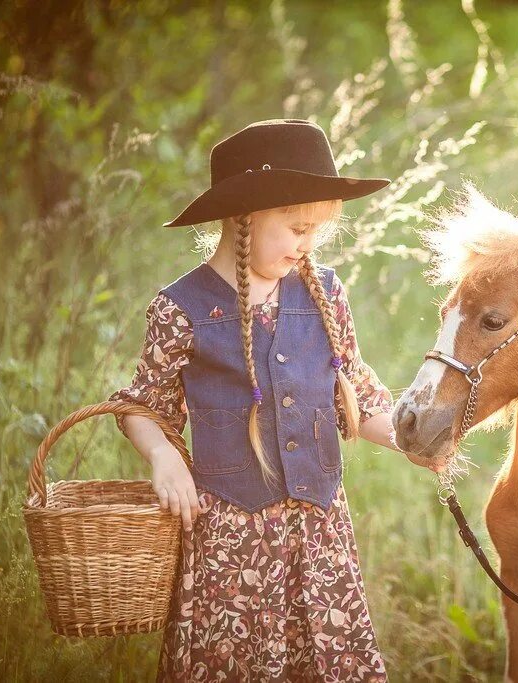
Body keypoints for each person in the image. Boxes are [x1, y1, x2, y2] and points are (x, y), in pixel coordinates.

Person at [110, 118, 441, 681]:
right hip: (231, 544)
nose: (307, 243)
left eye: (315, 230)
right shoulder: (182, 309)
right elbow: (141, 406)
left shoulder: (324, 293)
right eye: (296, 227)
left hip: (318, 537)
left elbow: (357, 401)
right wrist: (164, 457)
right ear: (244, 218)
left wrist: (412, 440)